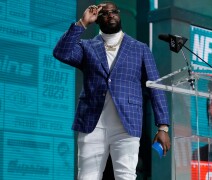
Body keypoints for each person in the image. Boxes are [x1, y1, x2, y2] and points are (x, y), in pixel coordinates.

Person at [53, 1, 171, 179]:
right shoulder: (87, 47)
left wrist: (163, 127)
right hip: (91, 124)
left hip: (127, 124)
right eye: (105, 13)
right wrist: (82, 23)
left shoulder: (140, 49)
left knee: (126, 176)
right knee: (86, 176)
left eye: (114, 11)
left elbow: (155, 88)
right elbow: (61, 52)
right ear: (97, 19)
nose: (110, 15)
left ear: (119, 14)